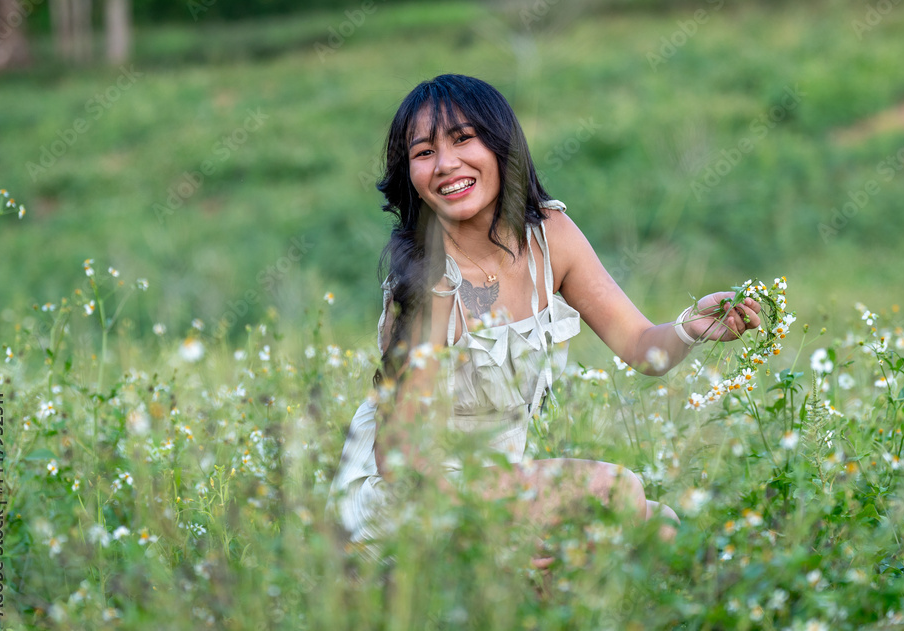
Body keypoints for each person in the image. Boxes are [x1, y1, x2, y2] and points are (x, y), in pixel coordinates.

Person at [326, 74, 761, 564]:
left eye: (463, 139)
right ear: (409, 175)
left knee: (660, 526)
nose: (446, 164)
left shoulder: (550, 238)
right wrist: (483, 537)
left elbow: (641, 346)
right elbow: (400, 455)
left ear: (501, 145)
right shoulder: (430, 278)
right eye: (424, 152)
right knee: (616, 492)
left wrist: (690, 328)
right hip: (411, 506)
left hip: (495, 487)